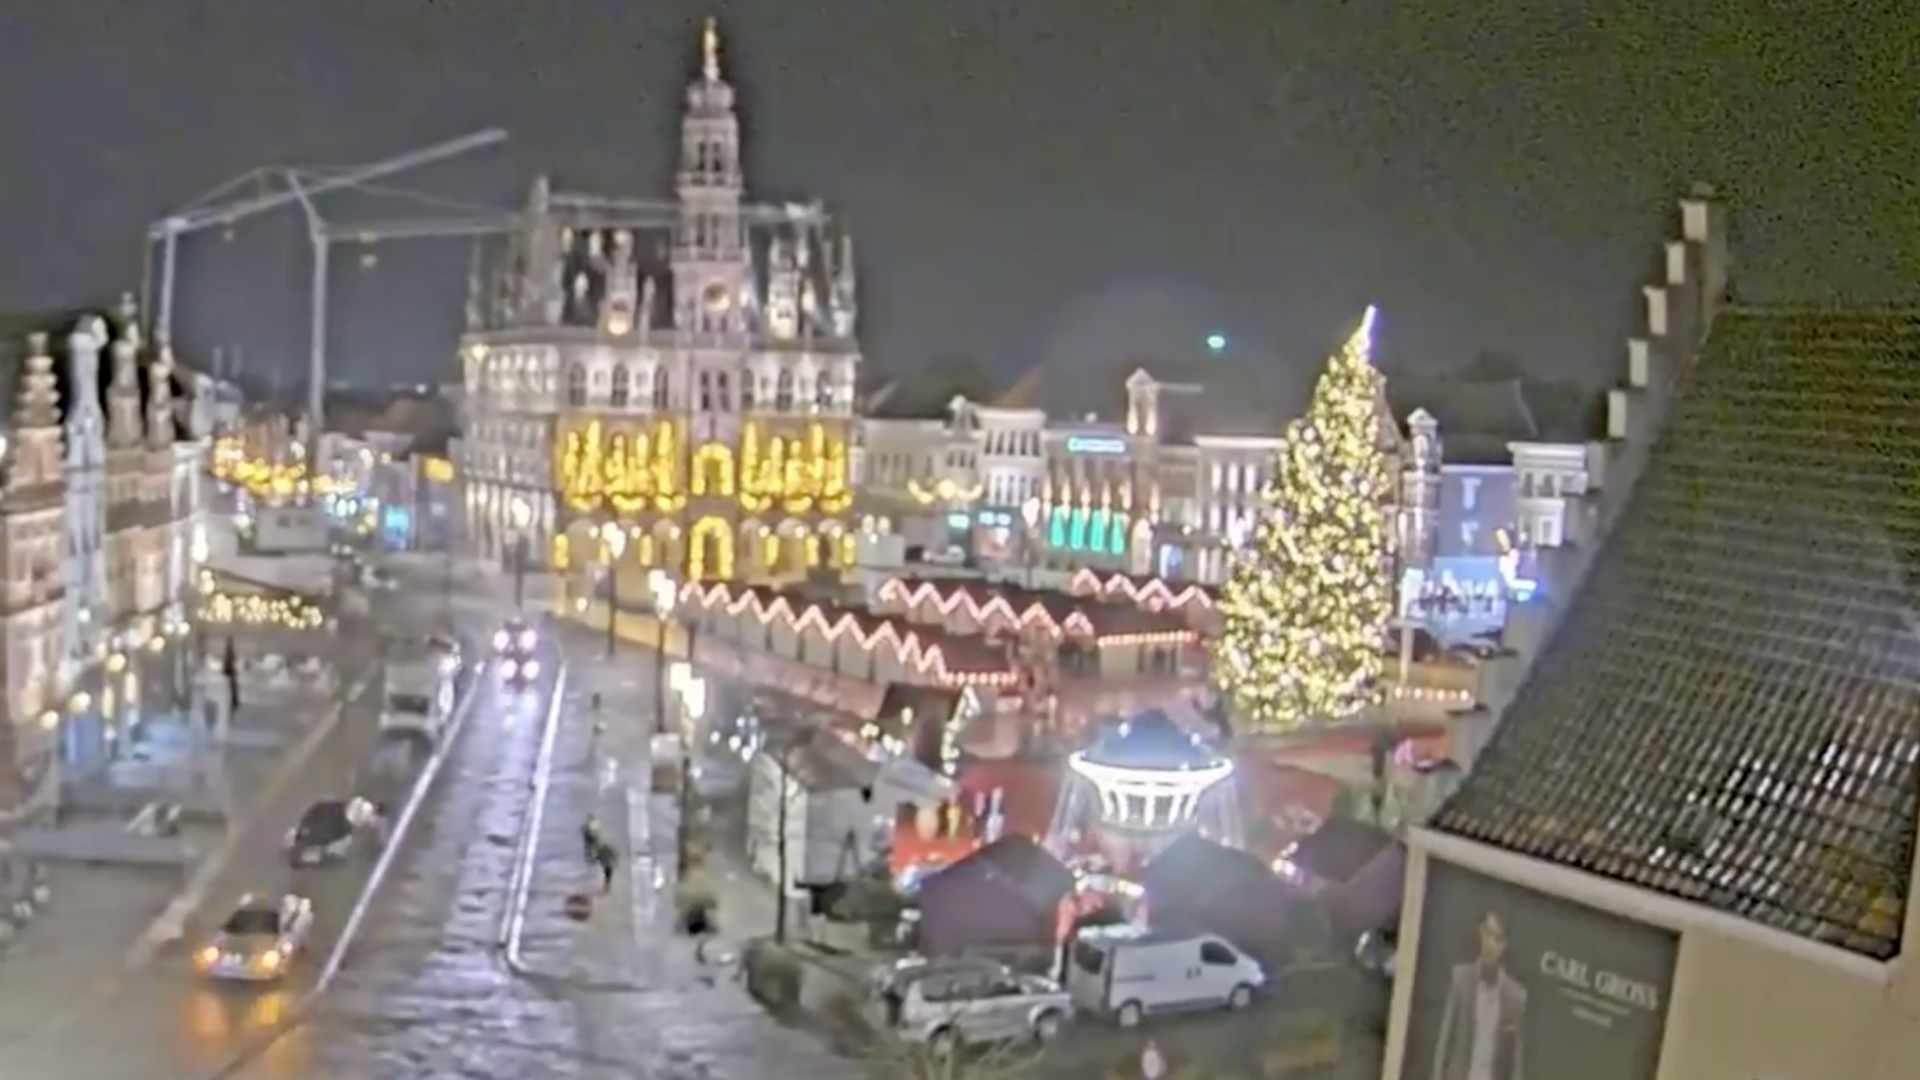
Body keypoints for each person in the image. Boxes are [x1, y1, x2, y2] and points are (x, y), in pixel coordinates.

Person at [1430, 910, 1528, 1080]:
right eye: (1487, 933)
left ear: (1505, 945)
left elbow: (1516, 1062)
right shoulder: (1461, 978)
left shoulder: (1516, 996)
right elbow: (1445, 1043)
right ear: (1479, 933)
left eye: (1498, 938)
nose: (1491, 944)